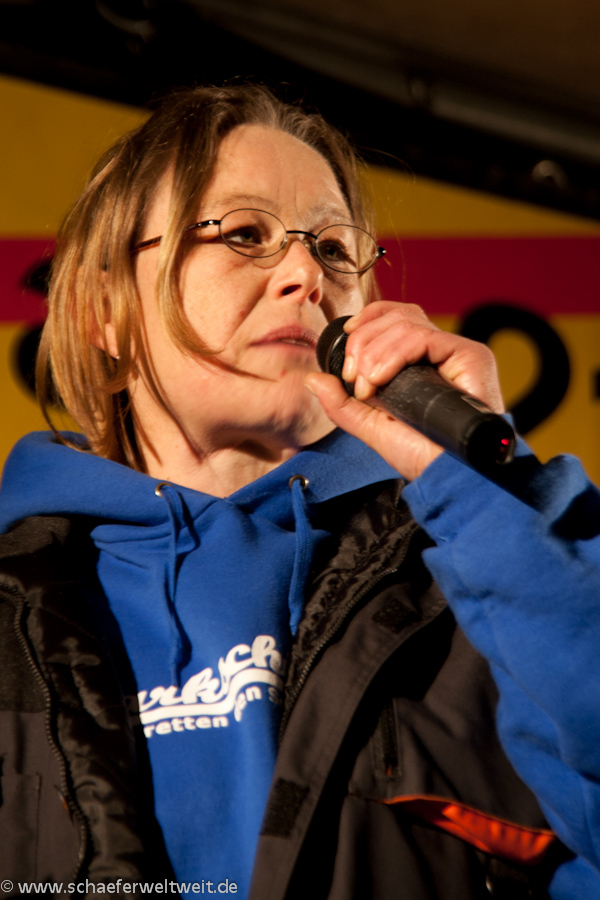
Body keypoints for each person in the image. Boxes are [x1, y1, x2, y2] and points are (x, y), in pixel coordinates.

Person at [0, 83, 592, 899]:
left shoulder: (466, 578)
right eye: (245, 234)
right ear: (106, 309)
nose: (307, 274)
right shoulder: (14, 600)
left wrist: (491, 490)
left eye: (336, 250)